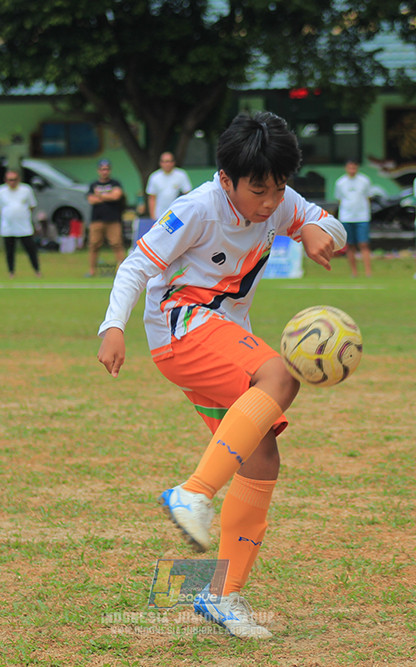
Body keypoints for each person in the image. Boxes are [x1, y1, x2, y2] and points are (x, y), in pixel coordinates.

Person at [96, 112, 344, 639]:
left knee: (262, 457)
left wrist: (322, 231)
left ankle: (222, 595)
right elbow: (135, 266)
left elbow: (328, 224)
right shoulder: (197, 208)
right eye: (260, 190)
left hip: (219, 339)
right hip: (181, 327)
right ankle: (192, 493)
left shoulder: (280, 201)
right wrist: (112, 325)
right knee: (281, 376)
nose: (272, 202)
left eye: (280, 188)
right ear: (227, 180)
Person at [0, 170, 40, 278]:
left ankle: (37, 271)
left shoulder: (26, 190)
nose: (12, 182)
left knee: (31, 249)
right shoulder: (0, 191)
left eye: (14, 180)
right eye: (9, 180)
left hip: (24, 226)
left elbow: (32, 205)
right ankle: (11, 272)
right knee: (9, 251)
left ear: (18, 180)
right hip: (7, 226)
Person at [333, 159, 373, 277]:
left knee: (364, 244)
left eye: (354, 168)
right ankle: (354, 272)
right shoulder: (340, 182)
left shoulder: (364, 181)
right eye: (350, 168)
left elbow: (368, 197)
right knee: (350, 245)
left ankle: (368, 272)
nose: (352, 170)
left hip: (362, 217)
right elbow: (339, 199)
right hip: (346, 217)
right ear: (346, 168)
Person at [86, 159, 125, 277]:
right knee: (93, 245)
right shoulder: (93, 184)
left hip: (113, 220)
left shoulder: (115, 183)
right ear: (98, 171)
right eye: (102, 169)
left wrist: (99, 195)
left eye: (107, 169)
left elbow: (116, 196)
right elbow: (91, 200)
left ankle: (122, 271)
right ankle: (92, 271)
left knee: (117, 243)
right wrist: (108, 196)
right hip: (97, 220)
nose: (105, 171)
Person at [146, 152, 192, 220]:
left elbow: (188, 195)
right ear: (160, 163)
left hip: (177, 214)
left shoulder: (181, 175)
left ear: (173, 163)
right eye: (164, 162)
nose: (167, 164)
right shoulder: (154, 177)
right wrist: (153, 217)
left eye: (169, 161)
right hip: (159, 215)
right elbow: (152, 198)